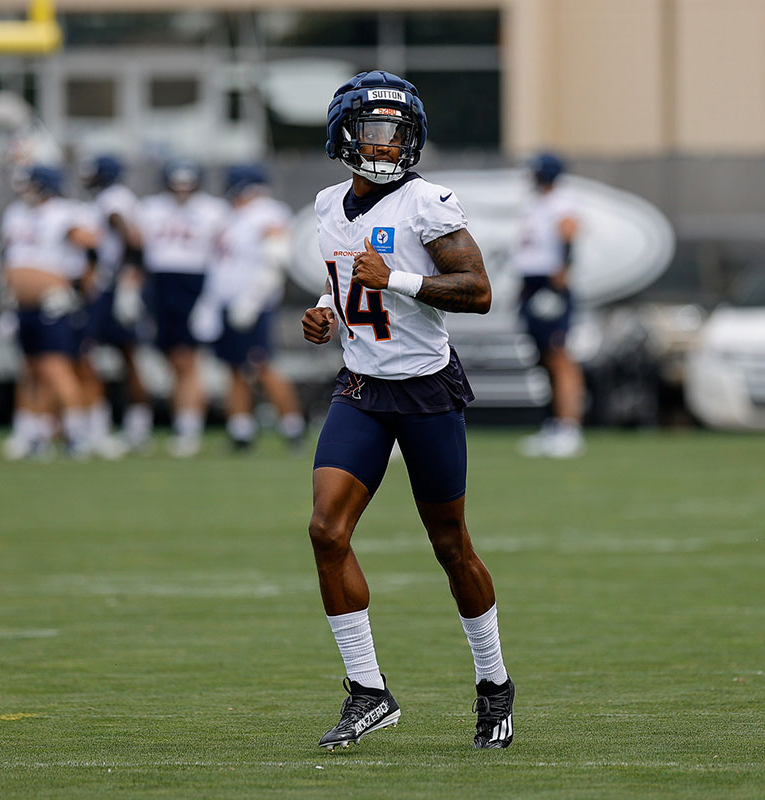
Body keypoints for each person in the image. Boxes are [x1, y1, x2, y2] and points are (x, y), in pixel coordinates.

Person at [301, 71, 514, 750]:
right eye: (374, 131)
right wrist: (326, 313)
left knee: (451, 546)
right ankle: (368, 692)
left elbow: (478, 292)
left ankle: (494, 684)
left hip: (424, 389)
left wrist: (394, 277)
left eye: (398, 133)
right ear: (344, 135)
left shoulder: (428, 205)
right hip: (362, 387)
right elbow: (343, 282)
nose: (388, 146)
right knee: (326, 532)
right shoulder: (327, 205)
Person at [198, 164, 304, 451]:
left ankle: (293, 427)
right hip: (226, 302)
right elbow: (221, 263)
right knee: (233, 367)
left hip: (252, 304)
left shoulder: (267, 212)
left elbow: (276, 260)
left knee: (261, 364)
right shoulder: (231, 215)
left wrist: (252, 300)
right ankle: (240, 431)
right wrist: (209, 301)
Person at [0, 164, 100, 459]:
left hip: (53, 303)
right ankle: (36, 435)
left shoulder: (66, 213)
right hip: (22, 304)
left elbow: (92, 247)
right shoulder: (15, 213)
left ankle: (76, 433)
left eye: (30, 185)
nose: (25, 191)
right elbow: (8, 257)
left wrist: (79, 290)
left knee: (55, 368)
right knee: (30, 370)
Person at [134, 159, 228, 457]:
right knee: (168, 359)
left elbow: (222, 257)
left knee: (187, 360)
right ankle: (180, 424)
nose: (182, 191)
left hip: (194, 284)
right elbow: (136, 252)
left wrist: (211, 298)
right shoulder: (149, 209)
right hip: (159, 285)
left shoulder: (213, 210)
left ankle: (188, 429)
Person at [511, 153, 585, 458]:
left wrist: (560, 275)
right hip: (532, 284)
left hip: (550, 285)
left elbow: (569, 235)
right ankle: (554, 423)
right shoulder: (537, 203)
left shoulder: (562, 201)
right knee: (542, 358)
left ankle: (570, 428)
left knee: (559, 356)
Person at [79, 155, 151, 452]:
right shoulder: (119, 197)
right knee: (125, 356)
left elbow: (130, 237)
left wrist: (122, 276)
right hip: (117, 284)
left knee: (93, 353)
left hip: (113, 286)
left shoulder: (113, 198)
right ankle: (136, 427)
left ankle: (103, 427)